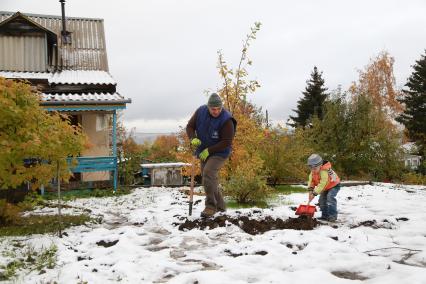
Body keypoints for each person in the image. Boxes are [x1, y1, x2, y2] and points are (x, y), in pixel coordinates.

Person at [186, 93, 237, 217]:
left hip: (220, 152)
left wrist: (209, 150)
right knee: (209, 178)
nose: (216, 111)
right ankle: (221, 206)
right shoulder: (201, 111)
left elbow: (227, 142)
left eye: (219, 108)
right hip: (203, 151)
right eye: (213, 109)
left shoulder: (227, 119)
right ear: (208, 107)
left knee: (208, 173)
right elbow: (190, 126)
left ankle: (210, 206)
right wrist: (192, 138)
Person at [307, 153, 341, 221]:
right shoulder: (313, 172)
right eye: (311, 168)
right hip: (326, 187)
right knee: (322, 200)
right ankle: (325, 215)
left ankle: (332, 215)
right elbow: (311, 182)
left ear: (320, 165)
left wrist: (314, 193)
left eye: (315, 168)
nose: (313, 170)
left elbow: (323, 183)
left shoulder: (324, 171)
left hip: (334, 185)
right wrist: (310, 191)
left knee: (330, 197)